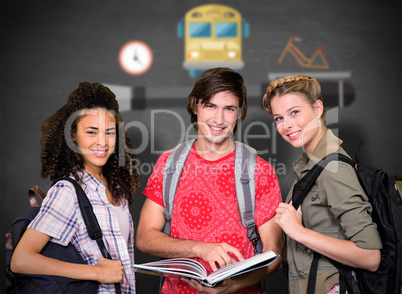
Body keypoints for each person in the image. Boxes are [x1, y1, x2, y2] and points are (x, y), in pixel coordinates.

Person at [136, 67, 284, 294]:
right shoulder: (169, 164)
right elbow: (145, 238)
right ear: (196, 106)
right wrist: (200, 249)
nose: (219, 119)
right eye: (211, 106)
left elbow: (275, 253)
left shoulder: (260, 171)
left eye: (229, 109)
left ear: (240, 112)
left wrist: (234, 285)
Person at [11, 82, 140, 293]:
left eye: (109, 132)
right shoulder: (68, 191)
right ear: (73, 135)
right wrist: (96, 272)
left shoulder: (117, 189)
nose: (102, 142)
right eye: (91, 132)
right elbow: (21, 260)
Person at [262, 74, 382, 294]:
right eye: (279, 118)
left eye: (294, 112)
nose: (286, 125)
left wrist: (298, 232)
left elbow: (370, 256)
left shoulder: (333, 170)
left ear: (318, 109)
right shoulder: (313, 167)